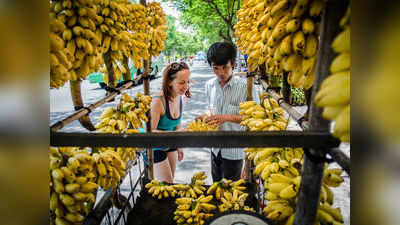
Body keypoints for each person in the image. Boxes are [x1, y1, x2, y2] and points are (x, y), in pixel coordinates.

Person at [202, 42, 258, 182]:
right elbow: (210, 108)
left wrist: (227, 117)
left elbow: (254, 118)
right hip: (215, 150)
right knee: (216, 188)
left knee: (232, 196)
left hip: (235, 153)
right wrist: (206, 117)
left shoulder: (246, 87)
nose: (220, 73)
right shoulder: (209, 85)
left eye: (225, 67)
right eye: (215, 68)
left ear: (233, 63)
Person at [150, 61, 191, 183]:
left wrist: (179, 145)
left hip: (170, 142)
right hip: (155, 146)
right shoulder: (158, 102)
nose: (186, 86)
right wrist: (176, 135)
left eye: (188, 81)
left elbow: (176, 126)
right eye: (182, 82)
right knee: (166, 183)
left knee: (170, 183)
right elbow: (150, 131)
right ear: (169, 83)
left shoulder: (181, 98)